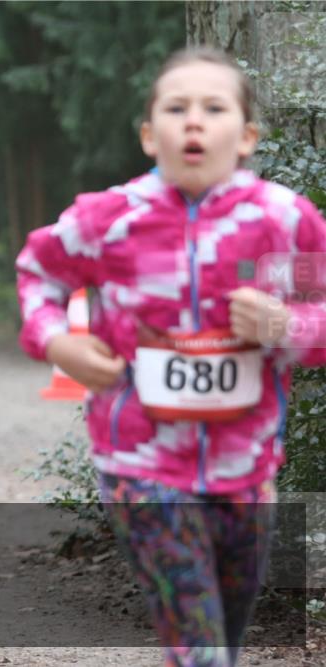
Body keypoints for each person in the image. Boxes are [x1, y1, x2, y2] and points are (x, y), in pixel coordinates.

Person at [16, 47, 326, 667]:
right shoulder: (108, 219)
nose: (193, 122)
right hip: (142, 469)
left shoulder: (282, 221)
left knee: (221, 642)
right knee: (202, 648)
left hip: (246, 474)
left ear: (245, 137)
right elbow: (37, 276)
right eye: (176, 107)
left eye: (213, 108)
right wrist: (58, 342)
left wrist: (284, 323)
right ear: (148, 134)